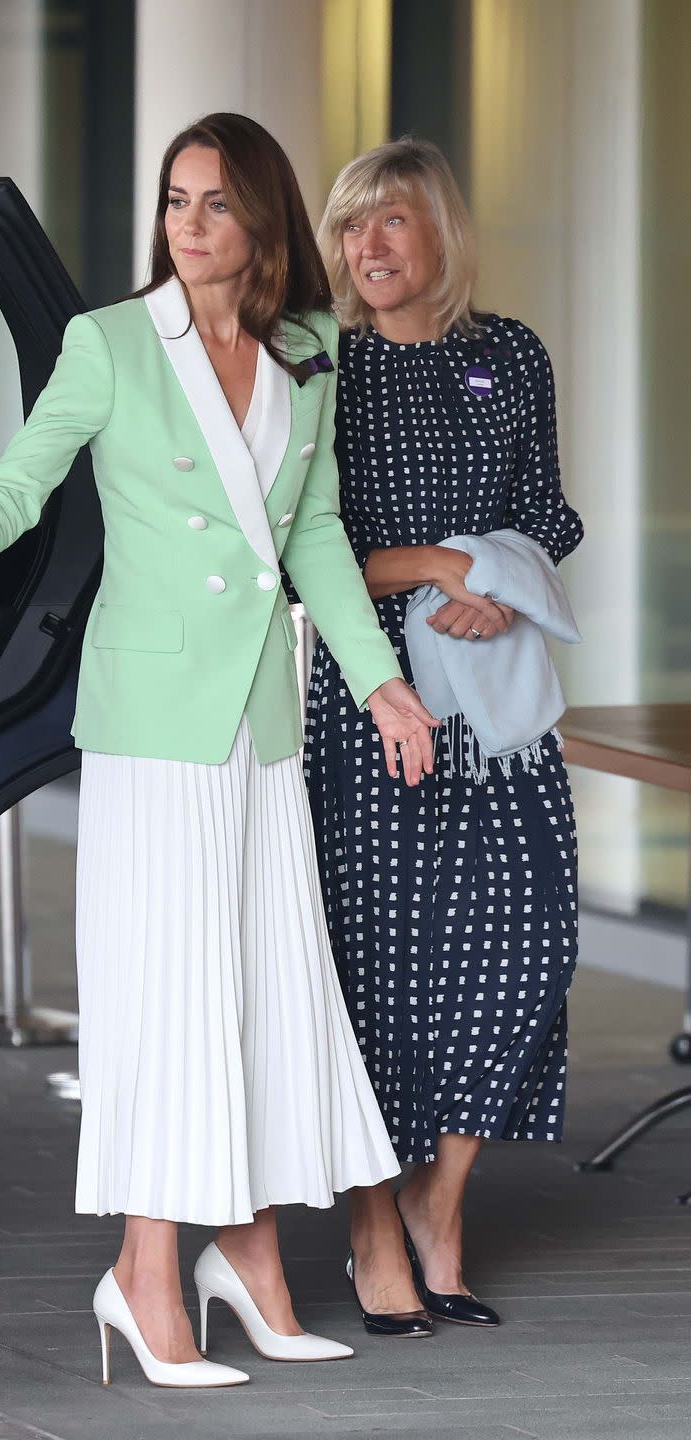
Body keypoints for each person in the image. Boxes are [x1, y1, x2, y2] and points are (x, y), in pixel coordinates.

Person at [0, 113, 436, 1389]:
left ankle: (243, 1258)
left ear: (261, 223)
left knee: (252, 987)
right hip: (152, 728)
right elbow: (23, 476)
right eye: (175, 202)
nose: (188, 227)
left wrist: (381, 684)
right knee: (171, 1000)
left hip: (258, 721)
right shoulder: (112, 344)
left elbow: (309, 540)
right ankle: (146, 1274)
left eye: (214, 206)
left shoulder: (308, 351)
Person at [306, 137, 583, 1333]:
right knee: (377, 968)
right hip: (376, 706)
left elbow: (549, 514)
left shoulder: (507, 353)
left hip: (499, 703)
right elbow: (298, 547)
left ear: (442, 237)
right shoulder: (316, 367)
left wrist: (502, 584)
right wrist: (432, 565)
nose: (369, 247)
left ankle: (442, 1203)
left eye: (394, 223)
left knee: (530, 940)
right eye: (353, 226)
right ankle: (375, 1227)